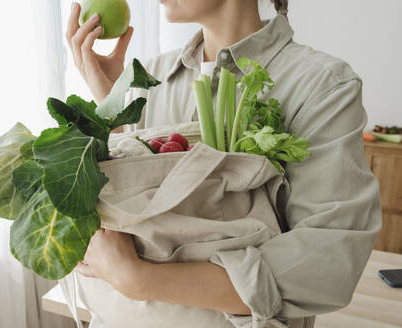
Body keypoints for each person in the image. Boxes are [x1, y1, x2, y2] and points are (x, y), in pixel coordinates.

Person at [65, 0, 382, 327]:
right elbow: (139, 211)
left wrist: (138, 279)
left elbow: (326, 264)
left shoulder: (322, 85)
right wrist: (110, 97)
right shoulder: (147, 78)